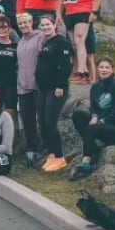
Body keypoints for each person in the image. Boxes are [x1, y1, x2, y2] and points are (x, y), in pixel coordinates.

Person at [70, 57, 115, 181]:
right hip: (101, 124)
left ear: (112, 70)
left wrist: (101, 121)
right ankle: (93, 148)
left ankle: (87, 162)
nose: (104, 70)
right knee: (78, 115)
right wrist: (94, 116)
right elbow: (93, 107)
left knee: (92, 128)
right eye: (101, 67)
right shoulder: (96, 86)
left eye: (107, 67)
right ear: (97, 69)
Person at [57, 0, 102, 84]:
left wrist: (94, 11)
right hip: (69, 12)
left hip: (84, 10)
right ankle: (84, 73)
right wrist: (58, 13)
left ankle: (81, 71)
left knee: (79, 38)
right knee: (74, 44)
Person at [35, 14, 73, 173]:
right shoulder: (46, 42)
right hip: (43, 89)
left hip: (55, 89)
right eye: (42, 25)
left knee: (50, 123)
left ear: (54, 25)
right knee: (43, 123)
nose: (45, 27)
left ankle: (59, 157)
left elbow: (66, 66)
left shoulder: (61, 42)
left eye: (47, 25)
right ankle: (51, 154)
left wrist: (60, 85)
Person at [15, 13, 45, 168]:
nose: (23, 25)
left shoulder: (40, 36)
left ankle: (44, 150)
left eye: (26, 22)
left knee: (42, 119)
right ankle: (31, 151)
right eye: (20, 23)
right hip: (23, 87)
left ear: (32, 22)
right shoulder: (20, 42)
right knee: (27, 121)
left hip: (38, 86)